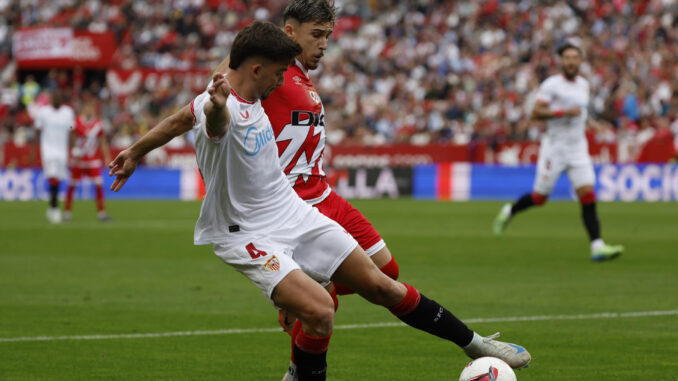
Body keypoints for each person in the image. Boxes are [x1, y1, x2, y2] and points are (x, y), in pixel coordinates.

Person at [109, 21, 530, 381]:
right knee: (320, 312)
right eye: (277, 73)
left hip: (292, 212)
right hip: (247, 233)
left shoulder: (242, 96)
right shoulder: (221, 108)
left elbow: (179, 118)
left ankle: (476, 345)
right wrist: (217, 108)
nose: (282, 81)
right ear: (256, 69)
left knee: (382, 284)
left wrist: (135, 151)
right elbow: (210, 120)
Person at [493, 42, 624, 261]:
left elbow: (580, 114)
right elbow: (535, 114)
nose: (572, 61)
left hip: (578, 147)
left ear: (580, 61)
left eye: (575, 57)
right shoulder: (552, 85)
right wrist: (563, 112)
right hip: (555, 147)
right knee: (539, 197)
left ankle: (597, 246)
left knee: (588, 194)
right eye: (568, 57)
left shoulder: (583, 84)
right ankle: (510, 211)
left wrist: (593, 124)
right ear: (561, 61)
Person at [64, 100, 112, 222]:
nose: (89, 110)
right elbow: (71, 134)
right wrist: (73, 150)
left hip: (93, 159)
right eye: (87, 108)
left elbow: (102, 141)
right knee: (72, 185)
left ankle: (102, 213)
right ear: (83, 109)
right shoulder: (76, 122)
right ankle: (67, 212)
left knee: (98, 185)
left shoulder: (98, 124)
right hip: (79, 159)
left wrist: (106, 157)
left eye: (91, 108)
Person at [33, 89, 75, 223]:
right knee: (53, 177)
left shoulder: (67, 112)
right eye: (54, 96)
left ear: (61, 98)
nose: (56, 99)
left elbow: (71, 131)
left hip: (62, 150)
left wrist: (73, 149)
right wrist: (33, 150)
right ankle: (55, 208)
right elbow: (37, 131)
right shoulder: (43, 112)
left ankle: (51, 207)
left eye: (58, 96)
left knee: (59, 178)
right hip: (48, 150)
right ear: (50, 99)